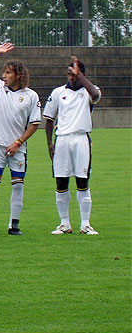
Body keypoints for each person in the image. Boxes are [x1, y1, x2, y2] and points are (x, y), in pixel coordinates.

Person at [0, 43, 41, 235]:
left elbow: (34, 124)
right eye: (4, 72)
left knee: (18, 186)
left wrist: (18, 143)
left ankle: (14, 225)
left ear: (18, 75)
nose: (4, 76)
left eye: (8, 72)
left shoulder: (31, 96)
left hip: (18, 149)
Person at [43, 57, 101, 235]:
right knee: (61, 181)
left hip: (81, 139)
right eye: (69, 74)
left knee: (82, 181)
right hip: (62, 140)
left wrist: (81, 76)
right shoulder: (58, 92)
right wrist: (50, 143)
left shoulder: (89, 91)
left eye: (74, 74)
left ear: (81, 74)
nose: (71, 77)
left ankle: (85, 224)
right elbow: (49, 119)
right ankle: (64, 223)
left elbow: (96, 95)